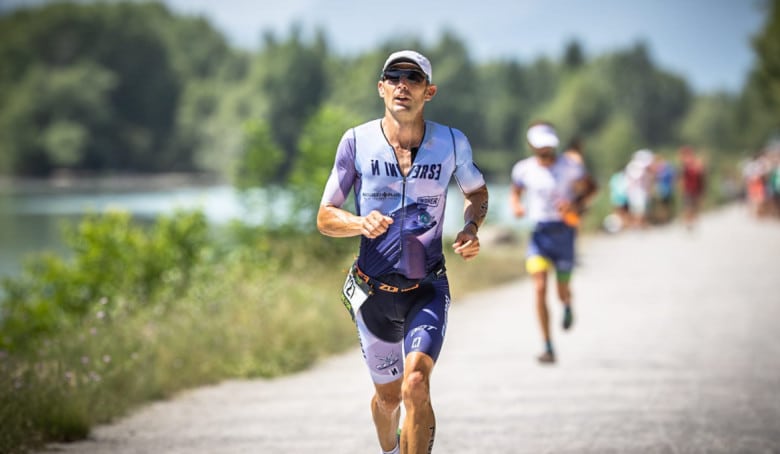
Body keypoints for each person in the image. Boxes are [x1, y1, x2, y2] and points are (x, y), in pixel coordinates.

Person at [317, 50, 489, 454]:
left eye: (413, 78)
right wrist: (360, 223)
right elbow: (325, 217)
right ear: (381, 88)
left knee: (416, 385)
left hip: (426, 288)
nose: (402, 85)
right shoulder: (356, 141)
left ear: (428, 92)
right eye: (393, 77)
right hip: (371, 292)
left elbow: (476, 192)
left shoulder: (450, 142)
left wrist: (470, 226)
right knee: (389, 400)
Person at [509, 121, 596, 364]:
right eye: (541, 146)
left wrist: (576, 204)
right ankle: (547, 345)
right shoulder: (523, 169)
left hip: (565, 233)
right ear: (532, 146)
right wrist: (516, 205)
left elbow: (591, 188)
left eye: (548, 146)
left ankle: (567, 304)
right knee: (539, 288)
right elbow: (515, 191)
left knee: (561, 290)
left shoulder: (570, 166)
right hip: (540, 234)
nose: (545, 150)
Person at [678, 146, 706, 229]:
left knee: (693, 206)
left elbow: (701, 175)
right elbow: (682, 177)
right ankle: (688, 222)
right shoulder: (686, 164)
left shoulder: (695, 163)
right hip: (689, 189)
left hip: (695, 188)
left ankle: (690, 222)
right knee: (688, 206)